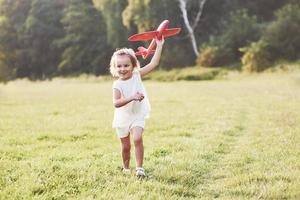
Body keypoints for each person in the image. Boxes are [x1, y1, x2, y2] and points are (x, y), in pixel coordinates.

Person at [109, 38, 164, 178]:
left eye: (126, 65)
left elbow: (154, 63)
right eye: (119, 66)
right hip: (123, 118)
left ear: (133, 66)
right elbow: (116, 103)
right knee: (126, 147)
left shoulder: (137, 75)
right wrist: (132, 97)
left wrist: (159, 45)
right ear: (114, 68)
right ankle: (126, 168)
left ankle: (139, 168)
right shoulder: (117, 85)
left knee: (138, 138)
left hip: (137, 114)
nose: (123, 69)